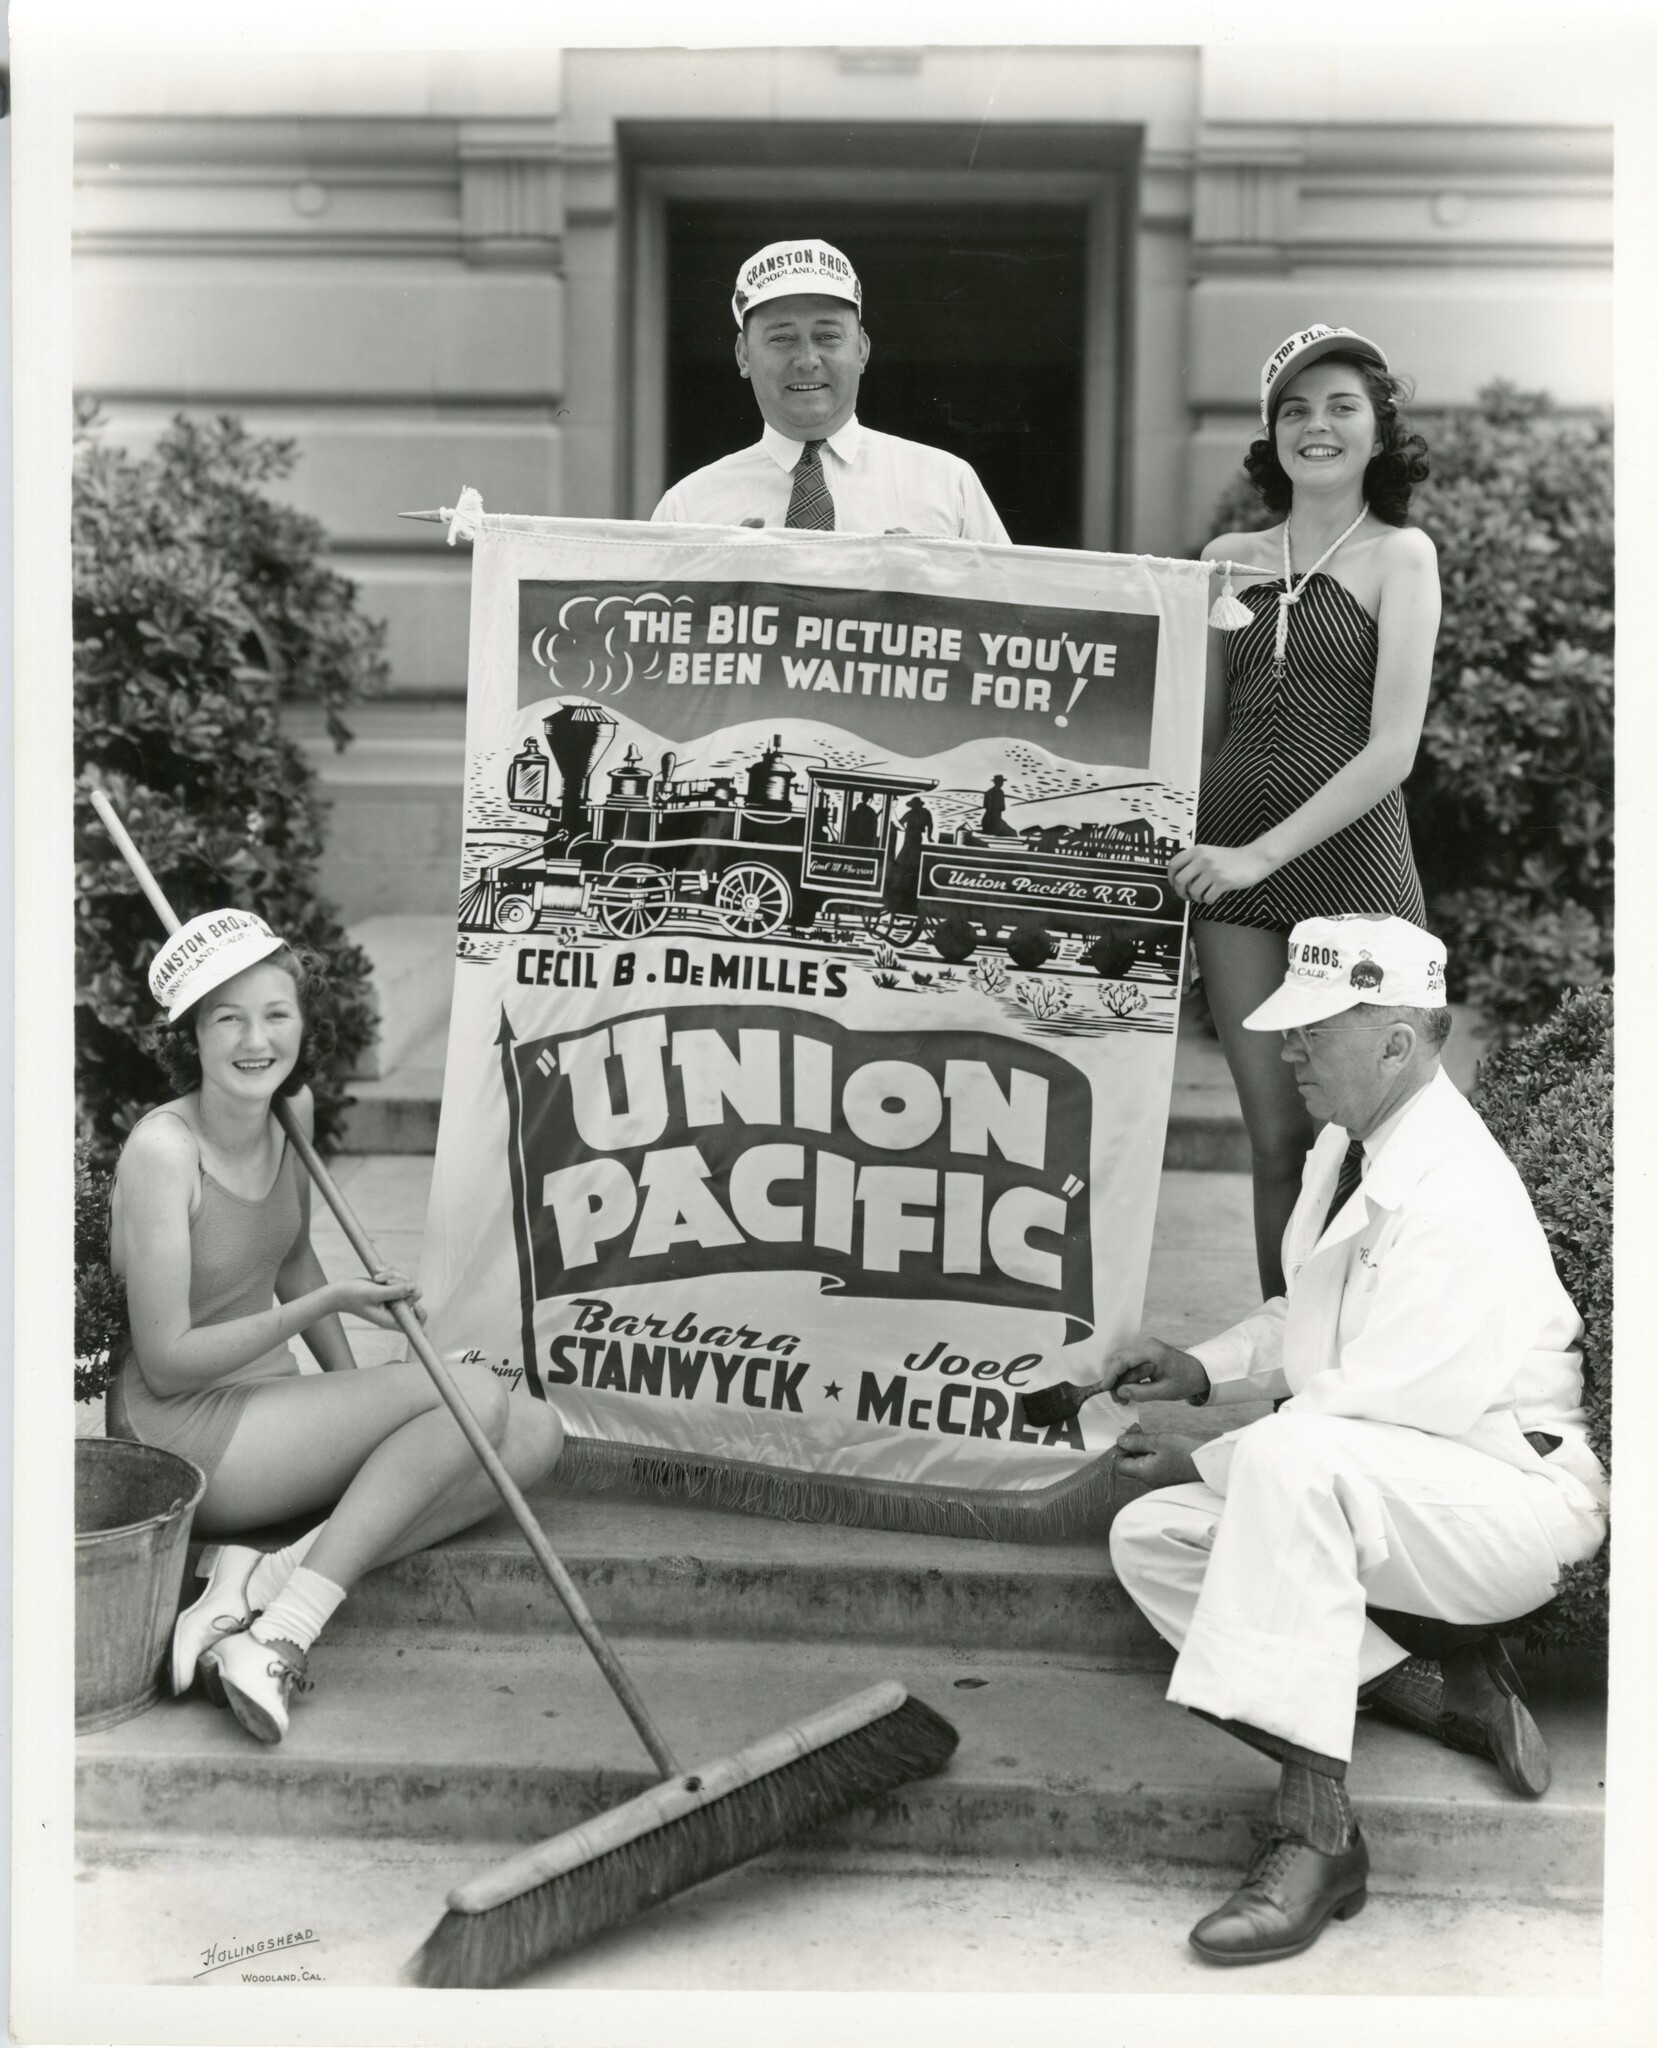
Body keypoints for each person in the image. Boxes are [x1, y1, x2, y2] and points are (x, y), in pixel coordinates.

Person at [1100, 915, 1606, 1966]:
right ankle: (1439, 1687)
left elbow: (1374, 1406)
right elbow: (1311, 1324)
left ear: (1398, 1040)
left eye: (1311, 1030)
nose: (1288, 1049)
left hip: (1510, 1501)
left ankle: (1317, 1832)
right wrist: (1203, 1370)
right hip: (1394, 1476)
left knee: (1289, 1458)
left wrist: (1205, 1453)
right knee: (1153, 1539)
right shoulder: (1349, 1145)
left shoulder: (1455, 1191)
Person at [106, 910, 564, 1746]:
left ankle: (259, 1579)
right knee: (469, 1394)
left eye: (276, 1013)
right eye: (227, 1018)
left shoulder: (294, 1113)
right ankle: (280, 1635)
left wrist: (354, 1385)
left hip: (263, 1409)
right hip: (184, 1431)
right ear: (192, 1036)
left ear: (304, 1022)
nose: (256, 1040)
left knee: (532, 1433)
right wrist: (326, 1312)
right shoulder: (163, 1152)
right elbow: (168, 1364)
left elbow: (292, 1264)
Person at [1174, 324, 1439, 1297]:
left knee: (1355, 1132)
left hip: (1355, 877)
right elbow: (1199, 738)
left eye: (1339, 406)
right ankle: (1285, 1368)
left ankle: (1356, 1362)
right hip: (1231, 888)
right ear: (1269, 431)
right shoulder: (1224, 558)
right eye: (1294, 407)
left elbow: (1390, 750)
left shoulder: (1400, 555)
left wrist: (1259, 852)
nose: (1314, 425)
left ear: (1377, 431)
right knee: (1278, 1135)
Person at [652, 238, 1011, 542]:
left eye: (827, 336)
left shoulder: (950, 486)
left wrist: (929, 591)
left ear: (861, 350)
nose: (807, 360)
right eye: (782, 338)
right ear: (744, 355)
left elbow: (1014, 619)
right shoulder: (686, 510)